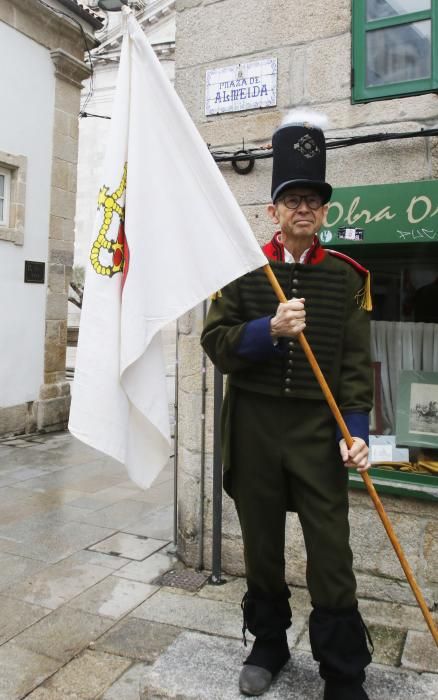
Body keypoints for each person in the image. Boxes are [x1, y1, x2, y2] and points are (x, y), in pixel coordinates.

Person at [201, 113, 374, 700]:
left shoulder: (348, 279)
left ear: (325, 212)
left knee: (331, 549)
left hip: (315, 431)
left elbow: (353, 367)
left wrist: (355, 432)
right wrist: (267, 328)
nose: (304, 209)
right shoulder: (242, 270)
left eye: (314, 200)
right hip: (253, 428)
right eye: (292, 199)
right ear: (272, 211)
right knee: (261, 545)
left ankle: (342, 669)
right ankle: (269, 642)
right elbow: (216, 345)